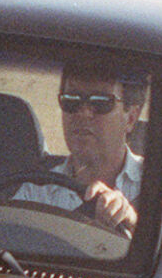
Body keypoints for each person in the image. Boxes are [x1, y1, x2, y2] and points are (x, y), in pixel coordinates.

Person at [14, 65, 146, 233]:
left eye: (100, 102)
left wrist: (133, 223)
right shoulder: (37, 193)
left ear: (131, 119)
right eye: (71, 100)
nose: (83, 113)